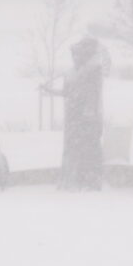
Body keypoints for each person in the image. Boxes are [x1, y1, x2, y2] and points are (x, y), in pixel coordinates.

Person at [42, 37, 109, 190]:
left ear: (86, 55)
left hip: (88, 117)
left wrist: (90, 111)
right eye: (74, 55)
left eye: (78, 55)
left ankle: (91, 180)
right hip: (72, 116)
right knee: (73, 147)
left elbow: (94, 93)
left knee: (90, 147)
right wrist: (49, 90)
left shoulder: (94, 70)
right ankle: (73, 179)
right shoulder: (70, 73)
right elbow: (66, 93)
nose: (75, 58)